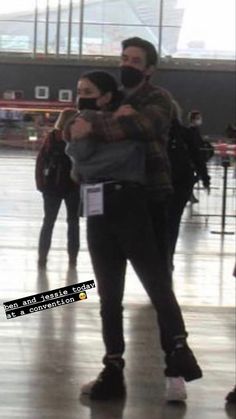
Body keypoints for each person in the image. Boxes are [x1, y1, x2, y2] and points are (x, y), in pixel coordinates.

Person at [66, 39, 202, 403]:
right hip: (99, 205)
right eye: (123, 58)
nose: (127, 64)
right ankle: (112, 367)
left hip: (152, 201)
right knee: (110, 292)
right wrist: (99, 125)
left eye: (135, 60)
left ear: (149, 68)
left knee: (158, 284)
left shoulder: (157, 99)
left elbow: (141, 129)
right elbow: (78, 159)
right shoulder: (111, 97)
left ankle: (176, 366)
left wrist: (95, 126)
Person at [35, 108, 80, 269]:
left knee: (48, 222)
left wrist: (41, 184)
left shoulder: (52, 138)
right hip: (73, 186)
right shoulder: (77, 137)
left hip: (51, 186)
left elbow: (40, 161)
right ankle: (72, 259)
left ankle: (42, 258)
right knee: (73, 223)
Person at [167, 103, 211, 266]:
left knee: (161, 221)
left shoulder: (155, 134)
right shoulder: (185, 133)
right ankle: (168, 256)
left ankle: (163, 256)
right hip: (181, 182)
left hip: (160, 183)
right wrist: (205, 179)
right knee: (173, 221)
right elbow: (198, 157)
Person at [187, 110, 212, 204]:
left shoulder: (195, 131)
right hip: (193, 159)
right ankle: (189, 194)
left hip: (195, 159)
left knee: (195, 178)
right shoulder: (191, 131)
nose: (199, 120)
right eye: (198, 118)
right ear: (192, 119)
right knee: (194, 178)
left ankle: (190, 194)